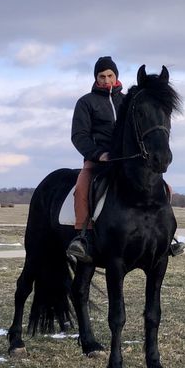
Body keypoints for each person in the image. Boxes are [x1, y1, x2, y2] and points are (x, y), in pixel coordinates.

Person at [66, 57, 125, 262]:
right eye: (102, 76)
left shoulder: (127, 101)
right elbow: (79, 135)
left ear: (116, 76)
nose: (107, 80)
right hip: (98, 161)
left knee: (164, 187)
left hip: (128, 161)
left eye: (110, 75)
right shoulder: (86, 102)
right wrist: (99, 154)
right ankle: (82, 238)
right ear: (96, 78)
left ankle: (166, 236)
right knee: (82, 187)